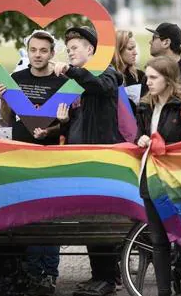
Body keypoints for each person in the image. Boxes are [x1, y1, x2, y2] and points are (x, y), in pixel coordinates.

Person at [0, 29, 67, 295]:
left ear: (52, 53)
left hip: (51, 157)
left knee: (50, 215)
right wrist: (2, 98)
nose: (38, 55)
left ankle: (50, 272)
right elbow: (5, 118)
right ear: (28, 51)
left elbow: (66, 124)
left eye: (43, 50)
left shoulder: (62, 81)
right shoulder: (16, 79)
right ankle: (34, 273)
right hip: (22, 155)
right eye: (33, 50)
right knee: (30, 216)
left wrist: (51, 130)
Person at [53, 26, 122, 296]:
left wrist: (70, 71)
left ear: (91, 50)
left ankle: (107, 278)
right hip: (84, 160)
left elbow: (100, 86)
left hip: (101, 160)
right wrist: (65, 123)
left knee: (101, 221)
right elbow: (79, 127)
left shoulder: (106, 73)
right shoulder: (79, 83)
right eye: (68, 49)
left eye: (75, 48)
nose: (70, 53)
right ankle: (99, 275)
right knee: (91, 222)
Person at [135, 56, 181, 296]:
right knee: (158, 241)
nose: (149, 82)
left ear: (169, 79)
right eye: (147, 77)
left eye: (154, 77)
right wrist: (141, 139)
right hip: (152, 180)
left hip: (177, 182)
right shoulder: (145, 106)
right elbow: (139, 134)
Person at [112, 29, 147, 111]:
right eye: (130, 49)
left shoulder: (140, 76)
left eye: (135, 48)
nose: (135, 53)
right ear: (118, 51)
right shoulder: (107, 77)